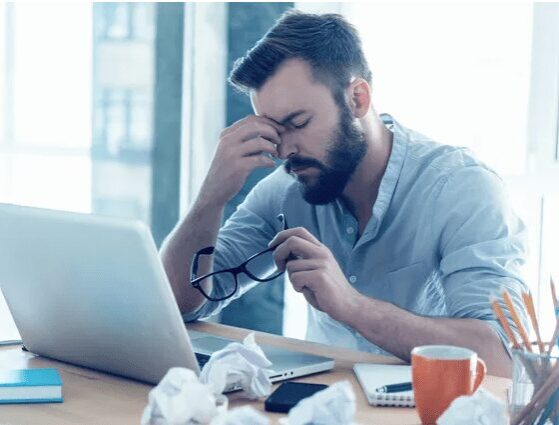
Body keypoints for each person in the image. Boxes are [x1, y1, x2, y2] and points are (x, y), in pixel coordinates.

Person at [160, 10, 527, 377]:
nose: (285, 150)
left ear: (357, 99)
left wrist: (352, 306)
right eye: (273, 131)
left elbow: (501, 357)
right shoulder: (285, 191)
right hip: (320, 407)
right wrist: (210, 198)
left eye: (298, 123)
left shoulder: (462, 189)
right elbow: (182, 303)